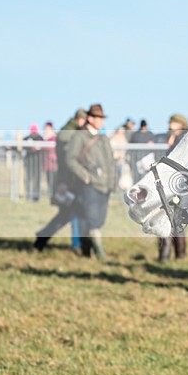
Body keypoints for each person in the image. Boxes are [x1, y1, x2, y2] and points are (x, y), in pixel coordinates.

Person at [65, 104, 116, 260]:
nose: (101, 121)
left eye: (102, 118)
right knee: (93, 220)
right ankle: (100, 254)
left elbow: (110, 162)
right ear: (90, 118)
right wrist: (85, 176)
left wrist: (112, 182)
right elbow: (70, 160)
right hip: (89, 186)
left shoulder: (103, 138)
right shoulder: (79, 137)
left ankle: (87, 252)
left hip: (105, 186)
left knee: (98, 220)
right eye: (98, 118)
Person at [34, 108, 87, 252]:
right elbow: (66, 161)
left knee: (65, 215)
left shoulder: (69, 131)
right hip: (67, 180)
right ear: (80, 119)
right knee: (74, 212)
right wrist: (63, 182)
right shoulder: (68, 134)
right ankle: (77, 245)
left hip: (68, 179)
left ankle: (43, 236)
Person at [157, 113, 188, 262]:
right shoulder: (174, 138)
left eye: (173, 122)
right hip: (174, 184)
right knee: (175, 221)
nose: (170, 125)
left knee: (170, 220)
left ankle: (166, 256)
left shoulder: (181, 139)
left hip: (176, 185)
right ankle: (178, 255)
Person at [24, 124, 44, 202]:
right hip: (29, 161)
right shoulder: (27, 138)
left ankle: (36, 196)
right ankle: (29, 195)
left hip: (37, 161)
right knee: (29, 179)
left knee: (37, 179)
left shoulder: (40, 138)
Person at [42, 122, 58, 197]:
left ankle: (53, 194)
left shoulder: (53, 137)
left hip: (53, 162)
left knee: (53, 179)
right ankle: (51, 194)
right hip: (47, 163)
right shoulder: (45, 138)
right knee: (49, 179)